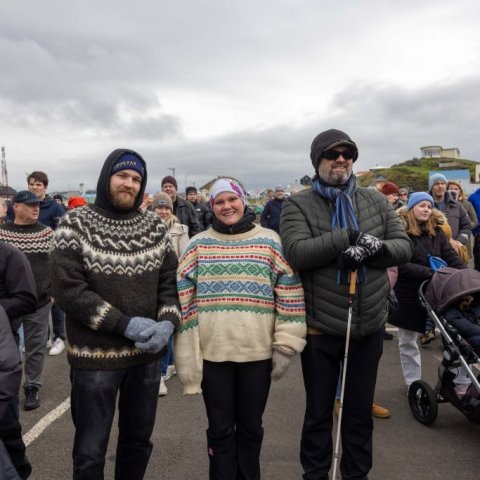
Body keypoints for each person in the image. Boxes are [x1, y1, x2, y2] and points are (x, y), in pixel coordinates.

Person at [280, 128, 412, 480]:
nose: (341, 159)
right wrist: (347, 238)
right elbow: (297, 252)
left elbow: (403, 246)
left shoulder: (376, 201)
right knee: (319, 413)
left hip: (367, 325)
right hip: (321, 327)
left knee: (358, 413)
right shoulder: (297, 204)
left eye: (347, 153)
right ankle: (315, 474)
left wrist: (374, 249)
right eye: (332, 154)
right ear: (317, 161)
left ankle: (357, 474)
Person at [50, 149, 181, 480]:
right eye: (122, 175)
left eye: (136, 179)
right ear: (106, 177)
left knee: (138, 443)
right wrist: (123, 324)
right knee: (90, 451)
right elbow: (69, 291)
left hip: (146, 358)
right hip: (95, 358)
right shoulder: (74, 224)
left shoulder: (154, 226)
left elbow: (169, 283)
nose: (129, 184)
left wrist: (168, 322)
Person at [175, 177, 307, 479]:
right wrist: (188, 354)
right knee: (219, 430)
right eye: (219, 202)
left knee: (251, 428)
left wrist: (286, 344)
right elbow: (185, 303)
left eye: (231, 199)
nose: (226, 206)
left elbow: (290, 294)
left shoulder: (270, 241)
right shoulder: (198, 245)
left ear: (243, 201)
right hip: (213, 356)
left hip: (257, 355)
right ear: (212, 206)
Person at [389, 192, 465, 387]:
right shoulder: (400, 231)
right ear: (411, 207)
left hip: (437, 291)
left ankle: (458, 382)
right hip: (408, 293)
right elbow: (401, 263)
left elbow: (451, 256)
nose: (426, 210)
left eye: (429, 207)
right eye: (422, 205)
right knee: (408, 341)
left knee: (453, 338)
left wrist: (463, 275)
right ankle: (413, 383)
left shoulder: (437, 231)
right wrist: (431, 272)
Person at [0, 190, 54, 410]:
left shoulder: (47, 234)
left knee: (36, 347)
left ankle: (32, 385)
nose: (36, 208)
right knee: (8, 347)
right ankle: (8, 386)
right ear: (16, 207)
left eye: (38, 205)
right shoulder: (2, 233)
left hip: (39, 302)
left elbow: (56, 264)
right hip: (8, 304)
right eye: (30, 205)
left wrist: (53, 291)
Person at [0, 242, 37, 479]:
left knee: (7, 427)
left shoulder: (10, 256)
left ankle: (19, 471)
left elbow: (27, 299)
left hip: (3, 344)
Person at [25, 172, 67, 357]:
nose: (35, 187)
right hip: (30, 262)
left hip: (51, 261)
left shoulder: (54, 208)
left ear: (45, 187)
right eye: (32, 184)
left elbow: (63, 233)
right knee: (37, 300)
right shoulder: (21, 205)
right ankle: (46, 336)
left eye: (38, 184)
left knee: (55, 301)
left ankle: (59, 337)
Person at [151, 192, 189, 396]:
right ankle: (171, 363)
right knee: (162, 324)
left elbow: (185, 258)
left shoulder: (180, 230)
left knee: (166, 323)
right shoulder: (145, 227)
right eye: (159, 207)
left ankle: (162, 371)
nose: (163, 211)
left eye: (166, 208)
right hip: (151, 283)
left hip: (172, 282)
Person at [429, 173, 471, 265]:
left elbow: (467, 227)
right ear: (431, 187)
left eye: (442, 183)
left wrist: (459, 242)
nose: (440, 186)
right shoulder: (426, 207)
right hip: (434, 255)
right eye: (436, 184)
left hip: (455, 252)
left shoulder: (458, 206)